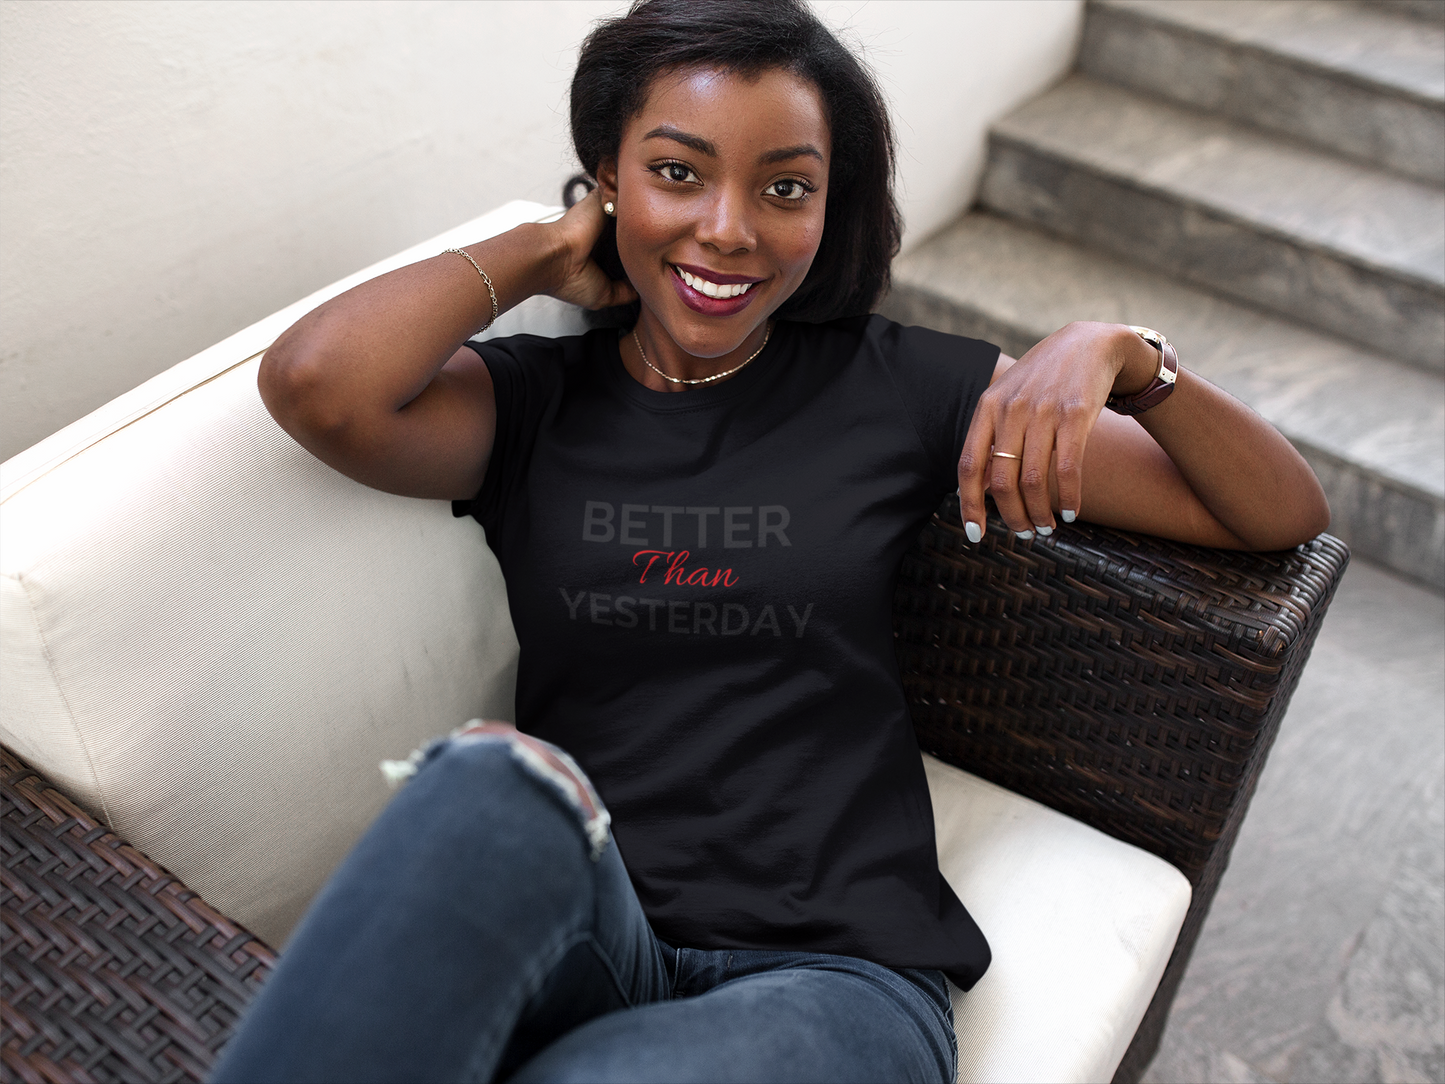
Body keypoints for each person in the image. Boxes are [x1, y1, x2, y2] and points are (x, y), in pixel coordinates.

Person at [210, 1, 1330, 1081]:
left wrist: (1126, 354)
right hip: (597, 938)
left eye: (784, 187)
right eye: (676, 172)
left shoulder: (896, 388)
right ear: (610, 178)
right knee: (488, 783)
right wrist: (544, 248)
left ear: (827, 209)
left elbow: (1274, 515)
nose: (729, 227)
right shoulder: (536, 403)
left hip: (833, 978)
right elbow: (318, 388)